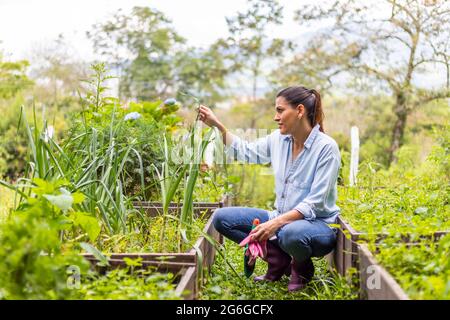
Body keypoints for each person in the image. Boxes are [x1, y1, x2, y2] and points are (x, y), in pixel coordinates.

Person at [197, 86, 340, 292]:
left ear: (299, 111)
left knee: (290, 233)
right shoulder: (277, 140)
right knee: (222, 218)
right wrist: (217, 125)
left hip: (317, 226)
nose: (276, 117)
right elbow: (246, 151)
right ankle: (277, 259)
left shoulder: (326, 148)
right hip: (281, 219)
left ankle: (302, 267)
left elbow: (315, 202)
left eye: (280, 110)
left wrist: (274, 224)